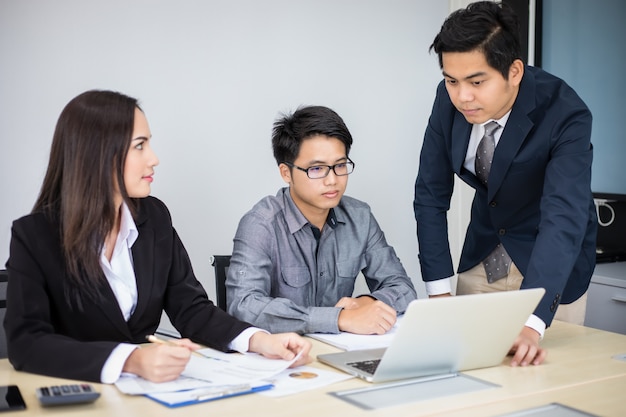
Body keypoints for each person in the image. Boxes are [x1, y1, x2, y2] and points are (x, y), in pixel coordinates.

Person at [4, 90, 311, 384]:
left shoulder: (154, 218)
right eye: (140, 145)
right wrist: (130, 360)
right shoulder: (34, 236)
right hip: (79, 399)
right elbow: (26, 342)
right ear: (97, 153)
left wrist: (259, 340)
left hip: (151, 398)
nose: (153, 159)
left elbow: (191, 308)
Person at [413, 1, 596, 367]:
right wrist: (438, 293)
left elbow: (563, 217)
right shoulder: (448, 99)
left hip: (549, 268)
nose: (462, 96)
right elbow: (430, 194)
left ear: (514, 72)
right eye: (452, 80)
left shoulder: (564, 113)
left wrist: (532, 322)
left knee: (546, 388)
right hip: (482, 256)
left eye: (477, 82)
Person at [226, 105, 417, 335]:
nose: (332, 180)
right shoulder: (260, 224)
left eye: (340, 165)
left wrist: (366, 302)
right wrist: (338, 319)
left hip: (340, 353)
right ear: (286, 172)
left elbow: (402, 287)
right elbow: (243, 305)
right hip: (284, 356)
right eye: (316, 169)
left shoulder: (360, 217)